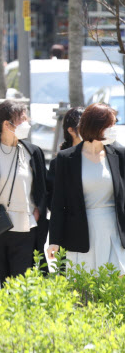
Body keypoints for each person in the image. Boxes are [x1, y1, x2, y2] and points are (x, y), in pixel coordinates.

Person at [48, 103, 125, 274]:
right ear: (96, 126)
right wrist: (54, 239)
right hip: (80, 232)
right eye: (110, 125)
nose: (114, 129)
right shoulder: (67, 158)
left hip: (114, 231)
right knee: (84, 292)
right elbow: (58, 202)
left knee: (114, 288)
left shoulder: (119, 154)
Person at [0, 101, 48, 282]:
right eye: (22, 119)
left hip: (27, 225)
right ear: (6, 124)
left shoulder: (33, 151)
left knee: (22, 282)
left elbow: (42, 187)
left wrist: (39, 211)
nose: (27, 123)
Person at [47, 107, 84, 205]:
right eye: (84, 126)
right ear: (71, 130)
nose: (89, 130)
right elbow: (53, 199)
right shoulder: (59, 162)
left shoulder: (99, 157)